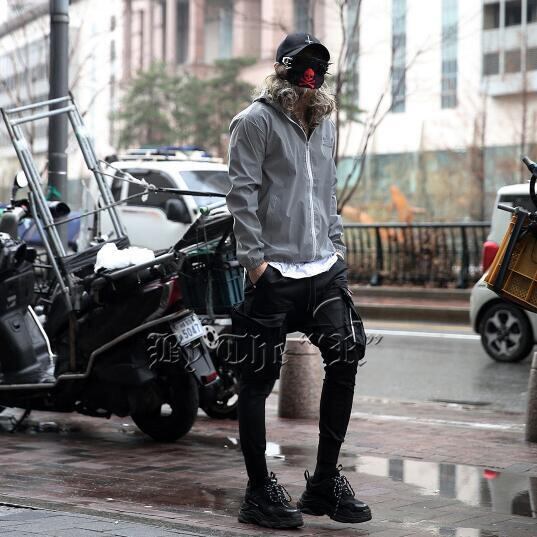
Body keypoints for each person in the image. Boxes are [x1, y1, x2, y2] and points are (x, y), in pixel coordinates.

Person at [225, 32, 371, 530]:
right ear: (283, 69)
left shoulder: (325, 124)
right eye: (303, 69)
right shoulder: (255, 122)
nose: (311, 79)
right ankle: (257, 491)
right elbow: (241, 196)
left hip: (322, 269)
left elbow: (327, 192)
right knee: (257, 378)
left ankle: (324, 482)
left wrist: (338, 251)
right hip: (274, 273)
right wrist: (256, 265)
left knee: (346, 355)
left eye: (319, 71)